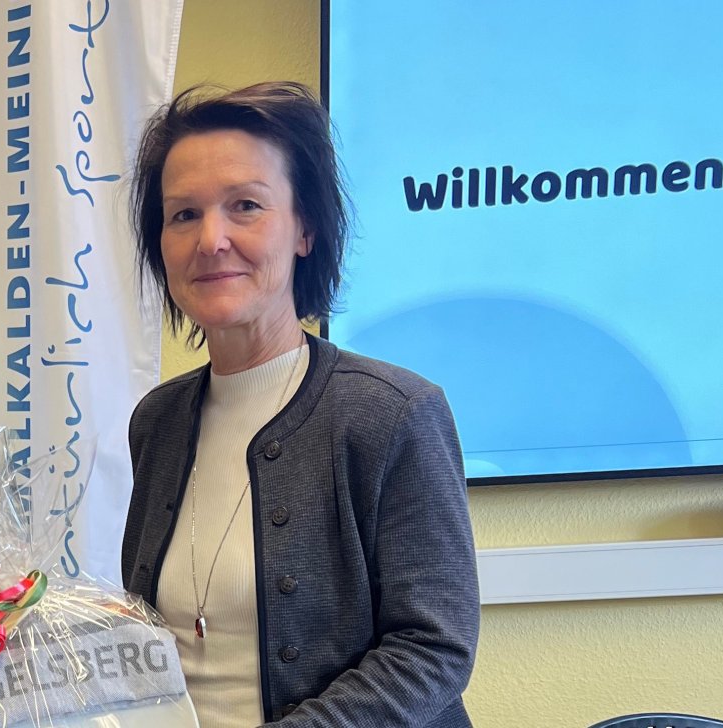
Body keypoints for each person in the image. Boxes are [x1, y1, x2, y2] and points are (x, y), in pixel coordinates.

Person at [119, 82, 479, 726]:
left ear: (305, 229)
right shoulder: (157, 422)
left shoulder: (394, 412)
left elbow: (433, 649)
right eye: (183, 214)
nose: (211, 239)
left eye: (246, 206)